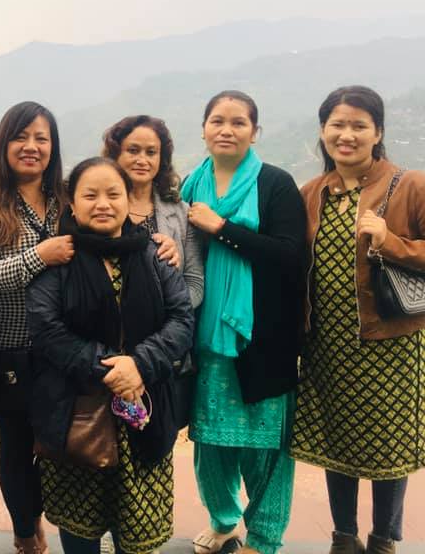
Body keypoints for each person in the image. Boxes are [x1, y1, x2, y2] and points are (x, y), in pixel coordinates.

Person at [27, 156, 195, 554]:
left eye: (113, 194)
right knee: (80, 525)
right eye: (90, 195)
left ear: (127, 199)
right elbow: (46, 328)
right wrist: (108, 368)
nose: (102, 203)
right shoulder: (58, 259)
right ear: (72, 204)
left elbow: (181, 318)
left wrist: (139, 364)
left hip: (143, 412)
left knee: (135, 529)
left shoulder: (153, 254)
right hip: (77, 414)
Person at [290, 86, 425, 554]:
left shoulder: (410, 186)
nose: (346, 135)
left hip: (390, 343)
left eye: (359, 126)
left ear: (378, 132)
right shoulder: (312, 193)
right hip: (327, 343)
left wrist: (390, 242)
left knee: (389, 445)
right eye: (338, 125)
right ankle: (343, 537)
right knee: (337, 440)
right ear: (323, 130)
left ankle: (383, 539)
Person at [183, 91, 306, 554]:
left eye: (239, 122)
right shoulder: (191, 185)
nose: (227, 129)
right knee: (210, 443)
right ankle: (223, 520)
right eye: (217, 120)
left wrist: (222, 228)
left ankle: (265, 537)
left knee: (265, 448)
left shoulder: (275, 183)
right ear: (203, 129)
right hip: (205, 337)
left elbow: (290, 255)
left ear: (255, 132)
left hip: (261, 337)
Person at [0, 101, 74, 554]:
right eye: (21, 137)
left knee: (61, 443)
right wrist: (39, 257)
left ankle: (43, 518)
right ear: (4, 145)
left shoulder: (67, 199)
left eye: (41, 138)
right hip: (10, 350)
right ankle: (25, 533)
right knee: (16, 446)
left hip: (63, 349)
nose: (31, 146)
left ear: (53, 147)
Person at [103, 114, 204, 309]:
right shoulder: (98, 207)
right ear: (116, 154)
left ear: (161, 159)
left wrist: (166, 314)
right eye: (133, 150)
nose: (142, 160)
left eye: (151, 152)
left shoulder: (181, 213)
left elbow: (194, 282)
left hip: (168, 323)